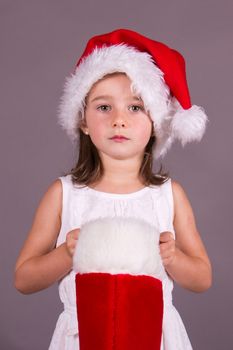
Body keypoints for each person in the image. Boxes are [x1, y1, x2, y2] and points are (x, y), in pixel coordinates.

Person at [15, 28, 212, 349]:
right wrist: (66, 253)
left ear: (155, 122)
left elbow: (202, 278)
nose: (119, 119)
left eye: (135, 107)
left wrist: (173, 257)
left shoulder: (168, 195)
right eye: (104, 107)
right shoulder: (64, 194)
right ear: (83, 120)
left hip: (154, 335)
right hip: (82, 336)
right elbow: (23, 279)